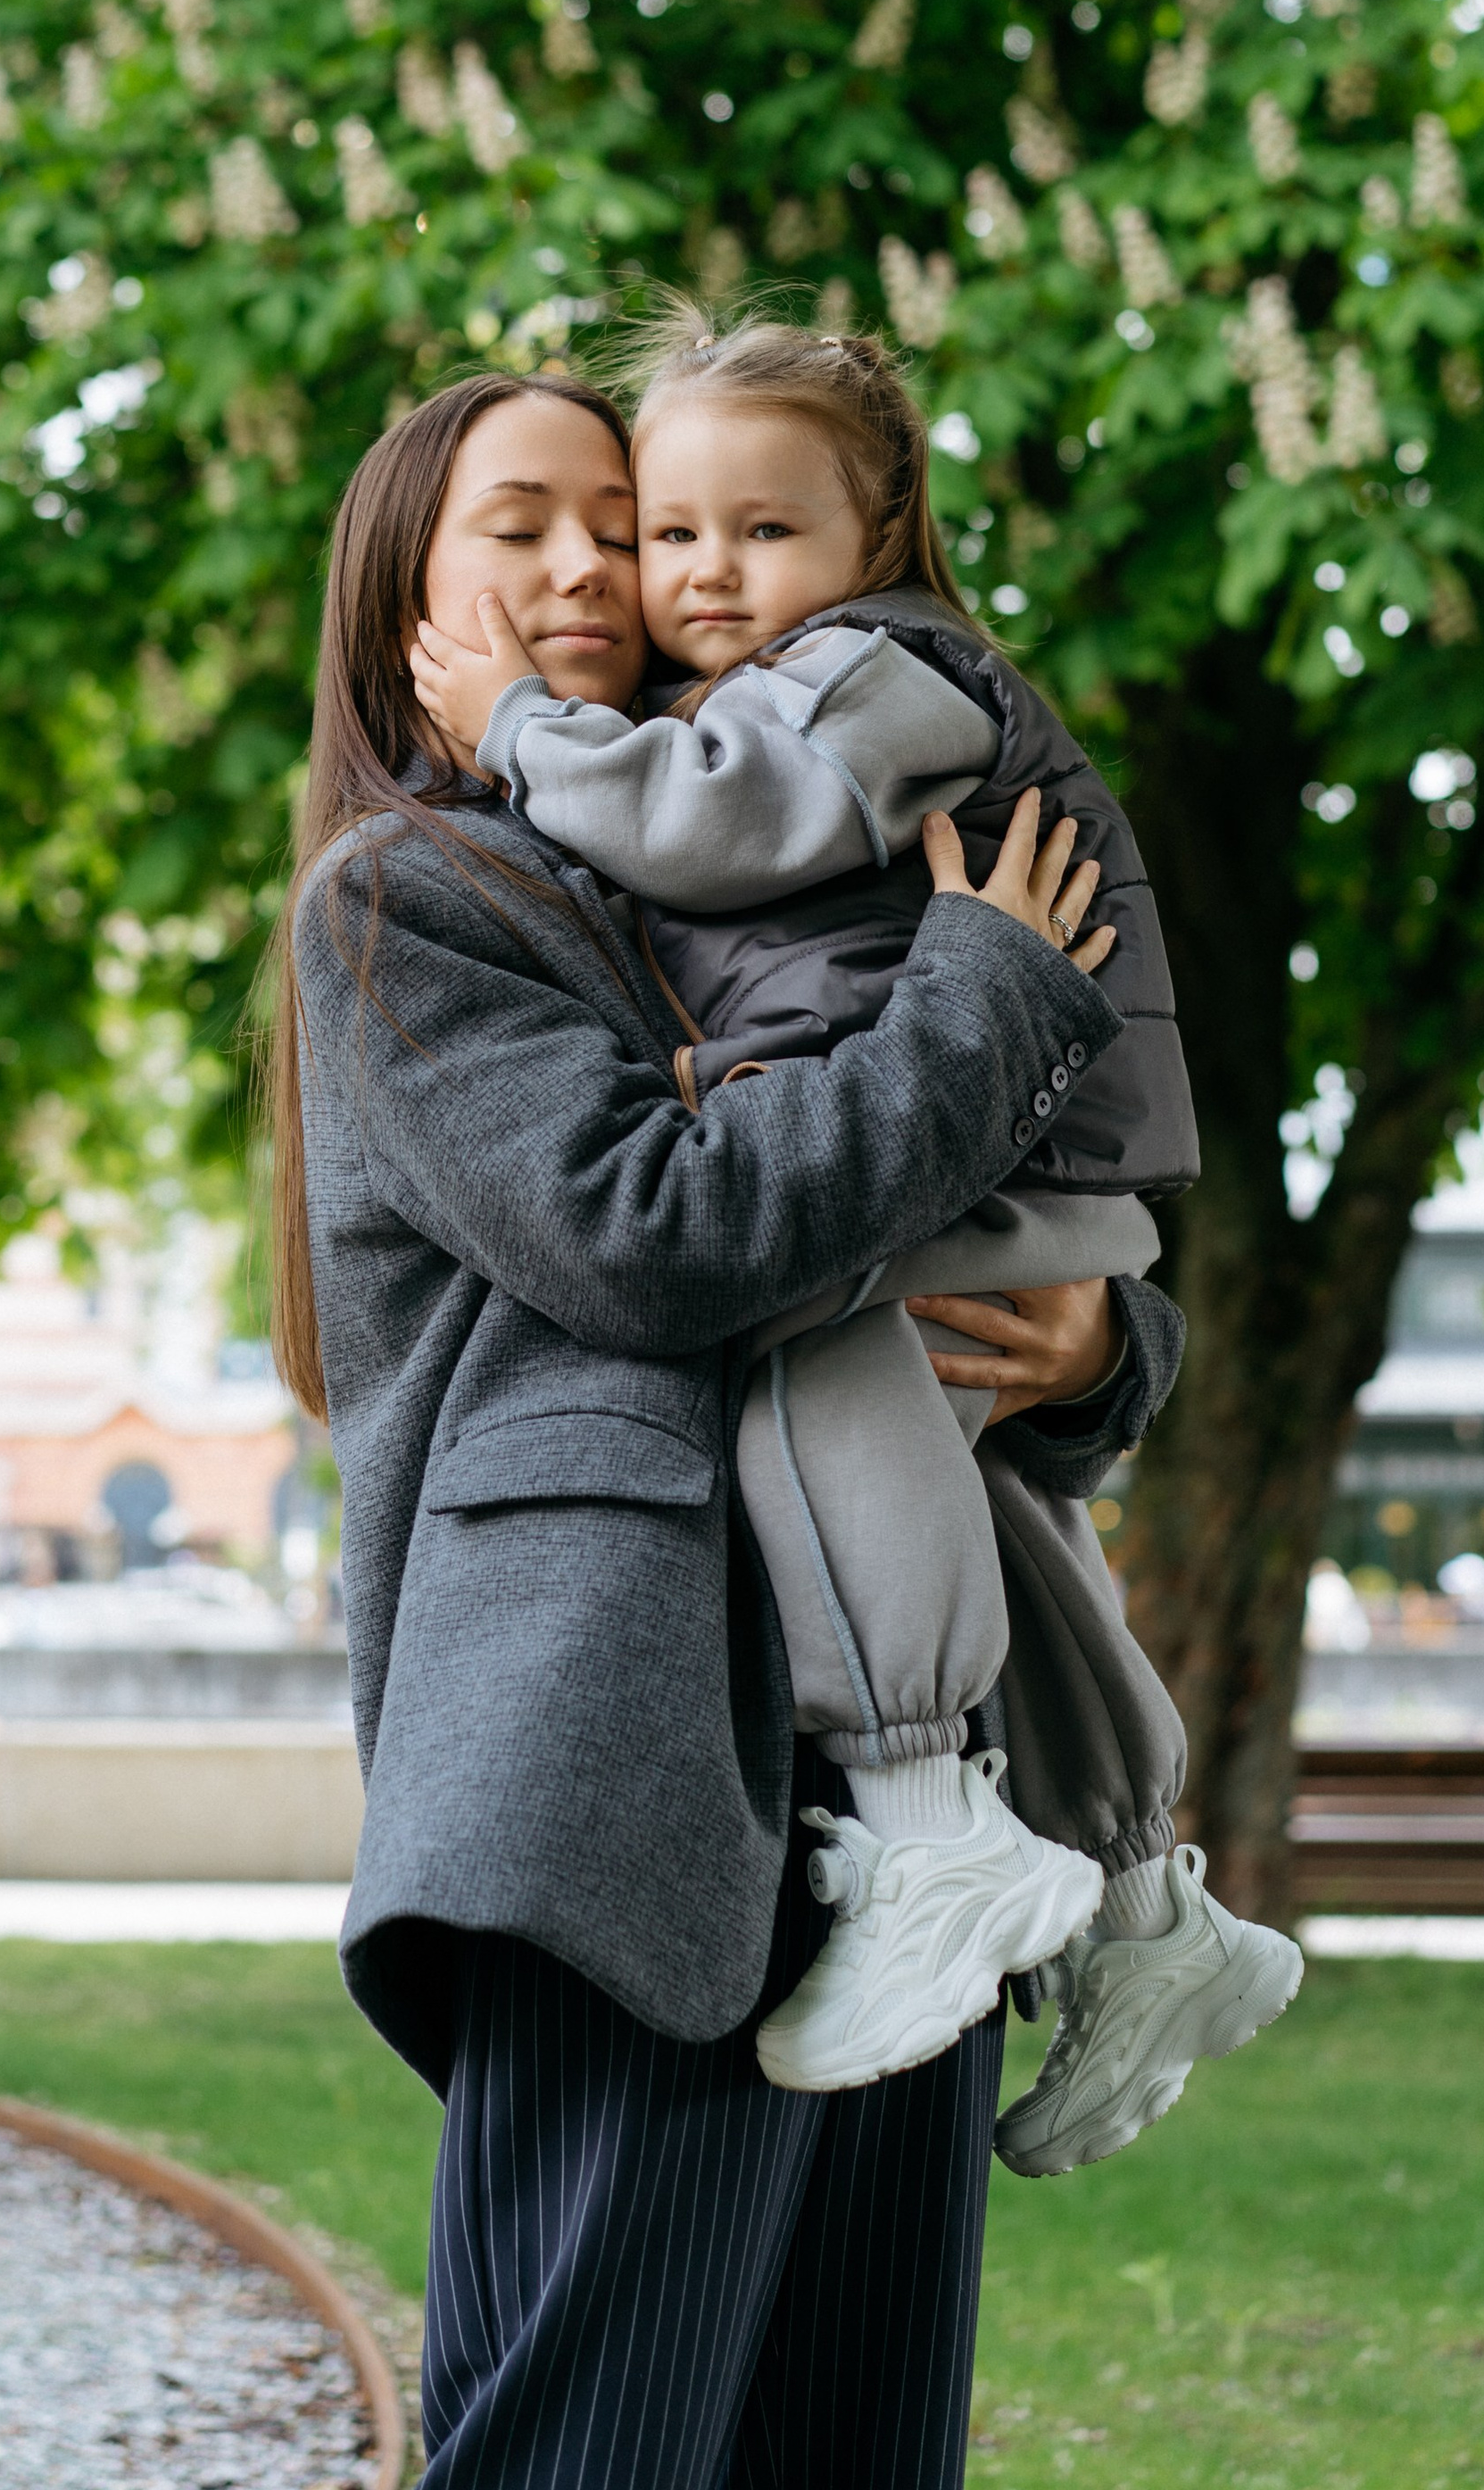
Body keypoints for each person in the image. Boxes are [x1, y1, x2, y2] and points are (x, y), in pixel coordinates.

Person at [272, 370, 1181, 2486]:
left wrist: (1094, 1350)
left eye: (628, 519)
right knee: (590, 2446)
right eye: (520, 527)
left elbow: (941, 1274)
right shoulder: (413, 907)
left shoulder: (734, 876)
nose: (595, 565)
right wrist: (978, 988)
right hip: (619, 1791)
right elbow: (668, 1241)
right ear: (404, 595)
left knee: (852, 2449)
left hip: (902, 1823)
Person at [410, 312, 1300, 2172]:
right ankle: (1143, 1903)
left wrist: (515, 728)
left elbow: (723, 830)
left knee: (800, 1346)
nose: (684, 575)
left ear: (877, 536)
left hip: (975, 1141)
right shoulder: (443, 883)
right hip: (979, 1139)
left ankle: (925, 1818)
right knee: (976, 1495)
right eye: (674, 536)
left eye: (760, 533)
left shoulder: (872, 671)